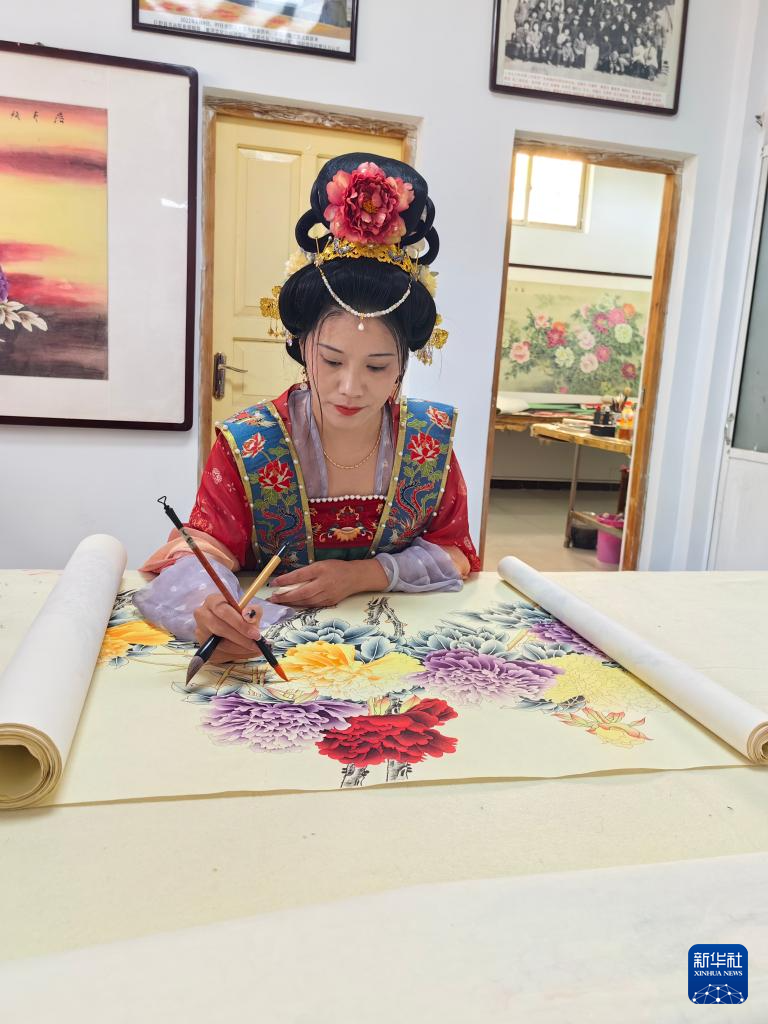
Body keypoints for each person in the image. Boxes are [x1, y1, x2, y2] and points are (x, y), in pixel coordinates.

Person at [136, 153, 480, 664]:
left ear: (405, 364)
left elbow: (456, 551)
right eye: (332, 360)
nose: (350, 387)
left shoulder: (427, 440)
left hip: (392, 647)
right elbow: (203, 546)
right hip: (269, 646)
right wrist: (210, 606)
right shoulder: (252, 444)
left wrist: (363, 575)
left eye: (377, 367)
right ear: (301, 346)